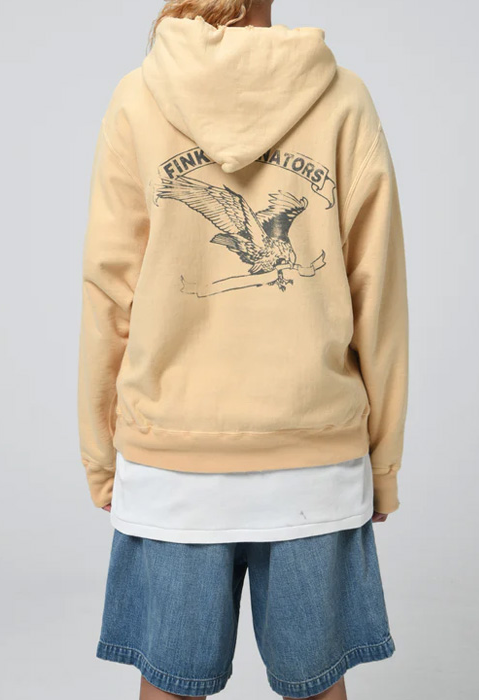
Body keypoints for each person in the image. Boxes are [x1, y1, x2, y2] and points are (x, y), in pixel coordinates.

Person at [77, 1, 409, 698]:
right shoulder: (343, 98)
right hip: (313, 459)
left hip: (173, 461)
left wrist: (102, 456)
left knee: (169, 686)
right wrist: (382, 463)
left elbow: (109, 293)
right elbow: (378, 296)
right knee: (318, 687)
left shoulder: (138, 97)